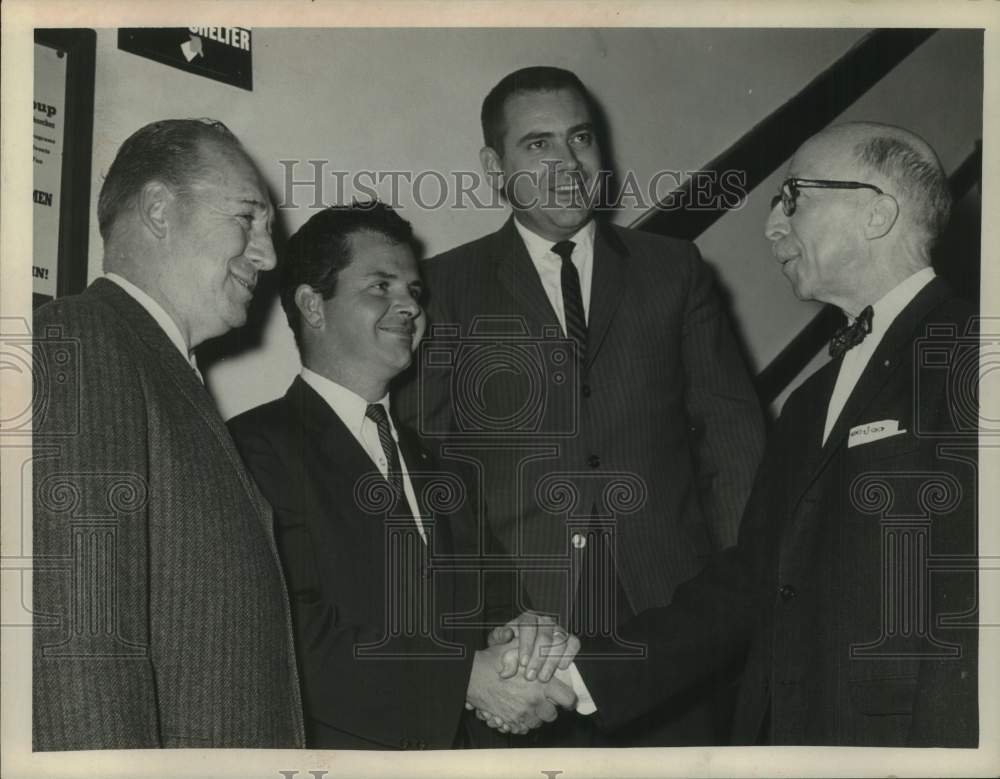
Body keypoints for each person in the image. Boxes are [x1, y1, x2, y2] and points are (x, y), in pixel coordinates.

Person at [569, 122, 979, 746]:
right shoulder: (810, 401)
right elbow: (753, 579)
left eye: (794, 198)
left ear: (877, 213)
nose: (771, 227)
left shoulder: (975, 353)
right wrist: (579, 677)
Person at [395, 66, 765, 746]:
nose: (567, 162)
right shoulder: (444, 288)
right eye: (537, 145)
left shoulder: (674, 268)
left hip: (670, 630)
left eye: (581, 137)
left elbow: (733, 439)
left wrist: (735, 595)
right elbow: (427, 470)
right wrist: (479, 622)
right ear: (494, 165)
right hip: (524, 643)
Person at [227, 202, 579, 750]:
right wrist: (463, 679)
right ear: (311, 305)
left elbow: (498, 604)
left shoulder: (444, 466)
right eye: (380, 286)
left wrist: (523, 633)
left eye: (414, 292)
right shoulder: (251, 450)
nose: (408, 307)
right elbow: (284, 634)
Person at [32, 119, 304, 749]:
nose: (267, 254)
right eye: (247, 218)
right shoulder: (85, 340)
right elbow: (81, 642)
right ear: (158, 209)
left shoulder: (158, 368)